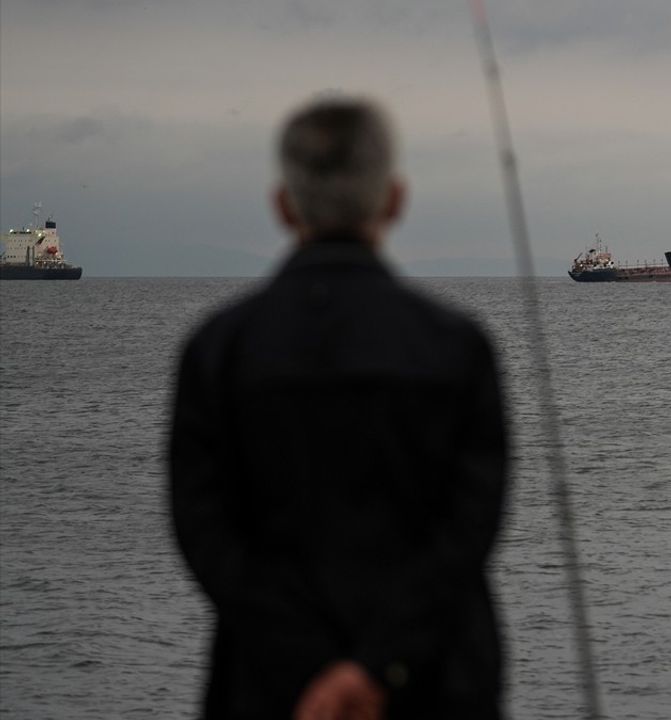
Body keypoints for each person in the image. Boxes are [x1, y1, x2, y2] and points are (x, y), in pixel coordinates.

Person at [168, 97, 508, 719]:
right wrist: (380, 666)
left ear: (282, 204)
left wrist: (308, 666)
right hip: (435, 687)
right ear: (395, 200)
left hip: (268, 690)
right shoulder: (458, 348)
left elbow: (204, 532)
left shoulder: (218, 352)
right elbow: (470, 530)